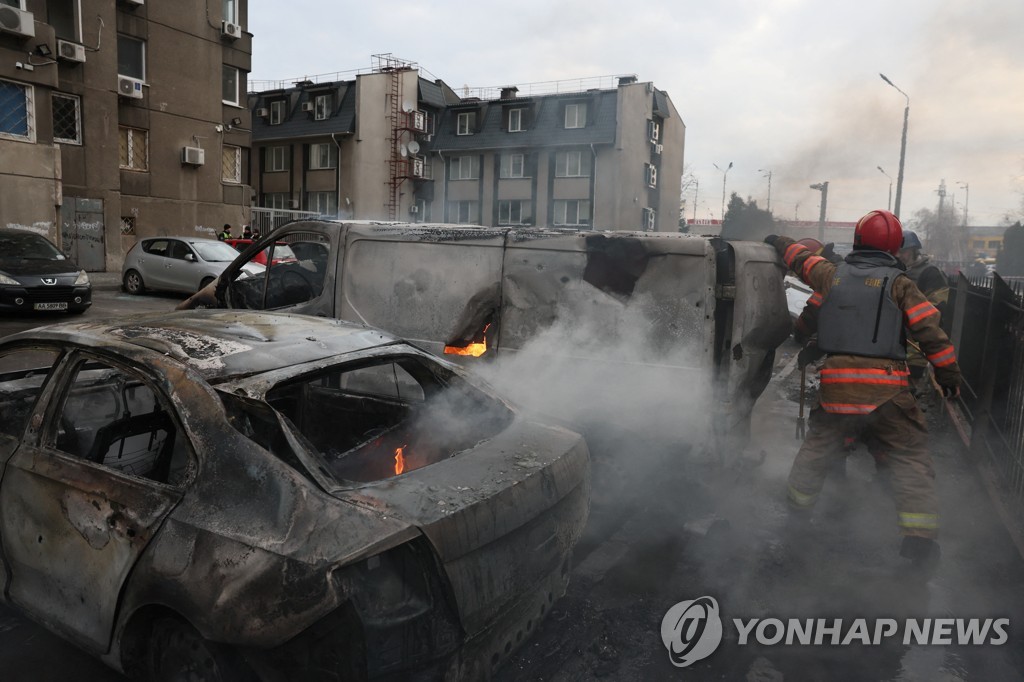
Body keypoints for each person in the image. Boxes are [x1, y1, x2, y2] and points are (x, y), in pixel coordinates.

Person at [764, 209, 961, 574]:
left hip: (838, 390)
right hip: (888, 391)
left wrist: (778, 242)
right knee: (909, 460)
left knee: (815, 453)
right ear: (894, 247)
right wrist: (948, 374)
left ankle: (795, 520)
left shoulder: (832, 275)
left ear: (856, 240)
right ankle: (918, 544)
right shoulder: (900, 284)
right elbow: (930, 331)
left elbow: (802, 259)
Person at [898, 231, 951, 399]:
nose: (900, 255)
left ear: (914, 251)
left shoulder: (930, 272)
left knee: (909, 388)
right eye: (897, 251)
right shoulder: (896, 271)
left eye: (904, 251)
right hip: (894, 341)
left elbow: (938, 305)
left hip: (915, 341)